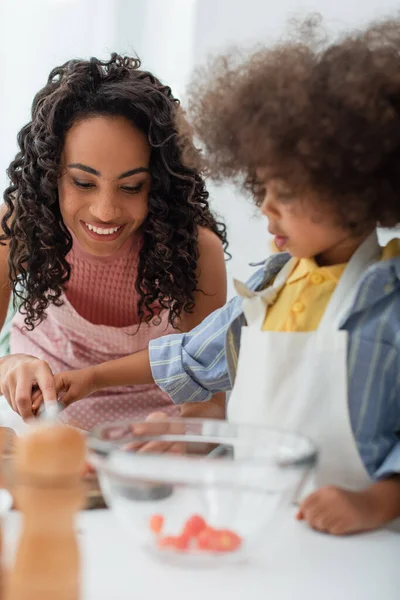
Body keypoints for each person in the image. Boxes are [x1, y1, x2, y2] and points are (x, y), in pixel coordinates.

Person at [32, 17, 400, 534]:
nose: (266, 210)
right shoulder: (273, 286)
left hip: (364, 539)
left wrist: (376, 503)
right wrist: (90, 379)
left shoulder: (389, 302)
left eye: (287, 196)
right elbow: (189, 358)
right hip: (261, 517)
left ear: (358, 193)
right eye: (263, 189)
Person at [0, 54, 228, 430]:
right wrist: (11, 366)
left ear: (159, 184)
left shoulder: (195, 251)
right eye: (83, 183)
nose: (105, 211)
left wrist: (182, 435)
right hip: (39, 437)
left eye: (131, 186)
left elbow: (208, 405)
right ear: (50, 173)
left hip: (146, 452)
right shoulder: (20, 226)